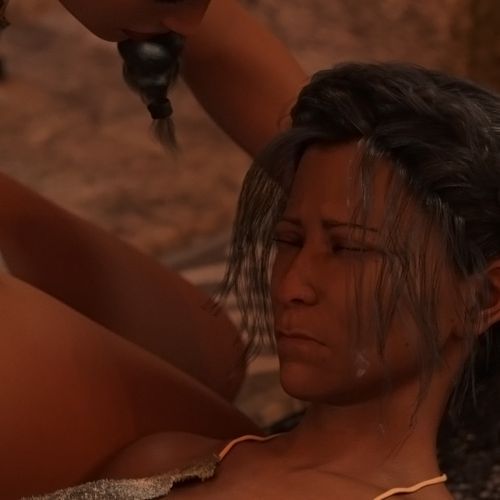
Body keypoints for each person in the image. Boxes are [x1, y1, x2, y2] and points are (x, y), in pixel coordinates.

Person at [1, 2, 500, 500]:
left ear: (484, 297)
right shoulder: (162, 460)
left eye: (347, 249)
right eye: (288, 240)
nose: (289, 285)